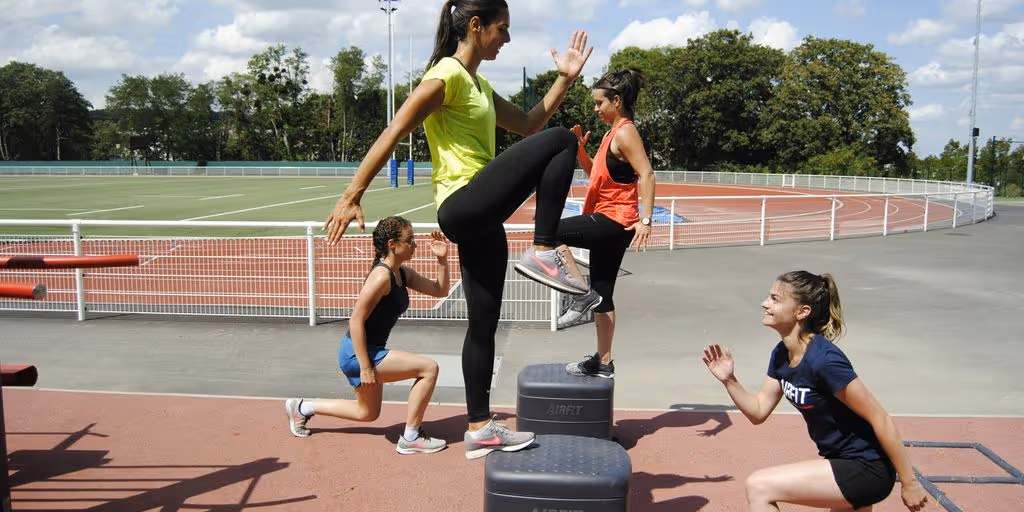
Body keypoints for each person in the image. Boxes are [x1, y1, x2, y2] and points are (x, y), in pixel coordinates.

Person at [322, 0, 595, 459]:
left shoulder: (480, 86)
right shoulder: (445, 76)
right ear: (476, 25)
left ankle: (480, 427)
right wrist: (352, 194)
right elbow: (394, 130)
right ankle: (545, 247)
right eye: (501, 29)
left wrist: (565, 79)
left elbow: (530, 124)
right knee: (564, 141)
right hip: (462, 202)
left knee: (483, 324)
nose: (506, 38)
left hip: (481, 217)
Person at [701, 271, 929, 511]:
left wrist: (909, 482)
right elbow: (758, 411)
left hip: (866, 466)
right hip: (842, 462)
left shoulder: (824, 361)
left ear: (802, 312)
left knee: (759, 486)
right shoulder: (781, 354)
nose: (764, 303)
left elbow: (881, 419)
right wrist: (729, 380)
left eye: (775, 299)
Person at [285, 216, 451, 455]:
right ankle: (411, 436)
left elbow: (439, 290)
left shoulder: (402, 274)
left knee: (367, 413)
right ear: (393, 244)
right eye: (410, 239)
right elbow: (355, 320)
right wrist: (365, 367)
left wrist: (442, 259)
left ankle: (302, 407)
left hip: (368, 350)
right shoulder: (381, 276)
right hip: (357, 353)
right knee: (428, 369)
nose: (415, 244)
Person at [558, 67, 656, 379]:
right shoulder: (611, 135)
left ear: (616, 100)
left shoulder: (625, 131)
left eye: (599, 103)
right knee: (605, 294)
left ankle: (578, 291)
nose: (596, 109)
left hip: (616, 220)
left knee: (550, 232)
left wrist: (646, 220)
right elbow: (598, 178)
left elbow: (648, 174)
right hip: (611, 219)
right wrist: (582, 152)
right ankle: (604, 362)